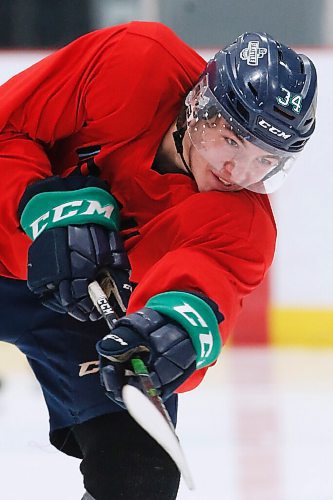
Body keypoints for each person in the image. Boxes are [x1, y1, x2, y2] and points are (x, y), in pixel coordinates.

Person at [0, 22, 317, 500]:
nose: (238, 172)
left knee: (140, 479)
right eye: (231, 141)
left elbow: (201, 293)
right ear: (199, 106)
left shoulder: (244, 224)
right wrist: (42, 206)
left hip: (88, 315)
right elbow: (10, 127)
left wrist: (170, 335)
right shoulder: (134, 61)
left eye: (264, 160)